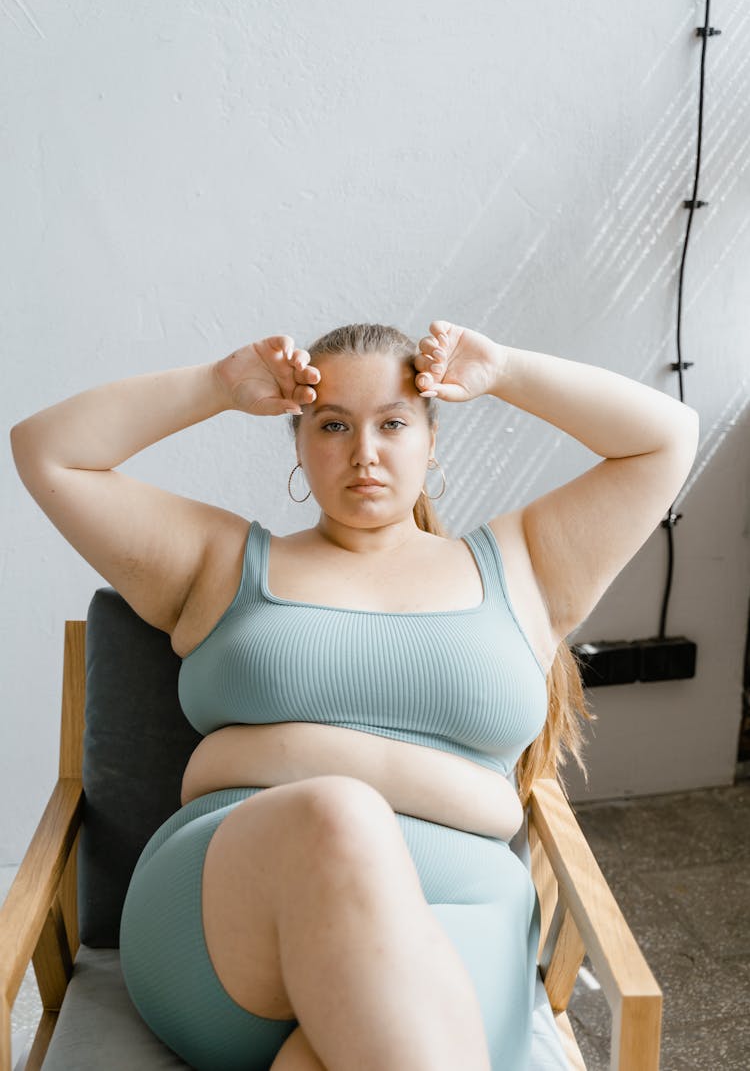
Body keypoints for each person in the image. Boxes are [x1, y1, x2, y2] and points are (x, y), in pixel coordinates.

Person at [10, 319, 699, 1071]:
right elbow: (48, 451)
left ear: (433, 439)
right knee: (338, 812)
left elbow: (667, 437)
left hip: (463, 921)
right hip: (229, 926)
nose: (364, 451)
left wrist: (503, 369)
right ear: (300, 444)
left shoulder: (524, 565)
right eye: (333, 424)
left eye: (393, 422)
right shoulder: (221, 563)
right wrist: (215, 385)